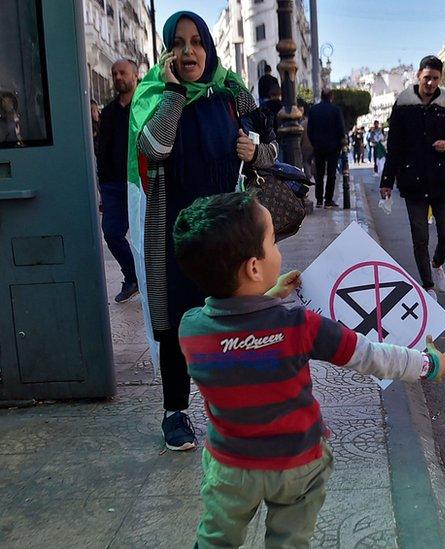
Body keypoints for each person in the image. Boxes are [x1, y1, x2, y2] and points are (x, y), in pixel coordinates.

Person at [172, 192, 445, 548]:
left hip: (231, 468)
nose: (278, 248)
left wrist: (268, 298)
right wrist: (428, 365)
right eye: (273, 240)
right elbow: (371, 355)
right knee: (289, 540)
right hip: (297, 464)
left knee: (216, 539)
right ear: (254, 267)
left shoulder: (191, 330)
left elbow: (242, 337)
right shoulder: (300, 326)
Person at [128, 11, 279, 452]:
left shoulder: (232, 92)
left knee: (233, 318)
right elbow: (154, 147)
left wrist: (255, 152)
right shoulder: (154, 93)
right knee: (177, 323)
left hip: (227, 231)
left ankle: (238, 407)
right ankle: (175, 411)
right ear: (168, 50)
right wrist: (175, 93)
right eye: (179, 42)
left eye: (197, 41)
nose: (189, 50)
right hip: (174, 233)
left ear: (209, 46)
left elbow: (269, 145)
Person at [380, 55, 445, 301]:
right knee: (420, 236)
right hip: (412, 179)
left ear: (441, 78)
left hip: (441, 179)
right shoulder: (403, 102)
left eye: (435, 79)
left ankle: (437, 263)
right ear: (418, 76)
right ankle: (427, 285)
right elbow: (393, 145)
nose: (430, 83)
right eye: (427, 78)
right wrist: (386, 182)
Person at [96, 59, 140, 303]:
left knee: (148, 236)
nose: (118, 77)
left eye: (122, 73)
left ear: (135, 75)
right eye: (114, 73)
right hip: (113, 184)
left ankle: (150, 281)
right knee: (112, 233)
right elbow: (102, 149)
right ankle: (132, 276)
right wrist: (102, 184)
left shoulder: (144, 107)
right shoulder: (109, 112)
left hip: (139, 181)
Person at [307, 89, 346, 208]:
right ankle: (328, 201)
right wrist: (340, 143)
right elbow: (341, 129)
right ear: (331, 97)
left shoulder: (314, 110)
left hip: (318, 146)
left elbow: (309, 130)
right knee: (331, 174)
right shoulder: (335, 110)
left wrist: (314, 143)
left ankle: (319, 200)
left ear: (321, 96)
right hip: (333, 147)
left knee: (319, 174)